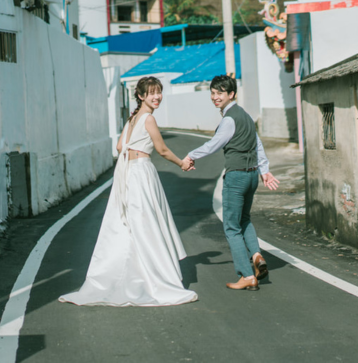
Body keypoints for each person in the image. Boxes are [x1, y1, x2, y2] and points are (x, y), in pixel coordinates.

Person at [59, 76, 197, 307]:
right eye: (152, 92)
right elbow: (162, 150)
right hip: (142, 172)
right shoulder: (149, 119)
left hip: (128, 173)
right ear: (141, 96)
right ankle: (152, 276)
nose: (157, 96)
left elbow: (120, 147)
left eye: (159, 91)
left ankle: (132, 272)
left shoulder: (133, 118)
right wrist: (182, 163)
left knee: (132, 224)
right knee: (147, 224)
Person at [182, 75, 279, 291]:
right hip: (252, 175)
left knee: (231, 228)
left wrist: (190, 155)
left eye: (220, 93)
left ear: (231, 94)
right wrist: (264, 171)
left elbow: (214, 144)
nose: (215, 97)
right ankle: (256, 256)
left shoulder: (229, 119)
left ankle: (247, 275)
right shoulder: (246, 116)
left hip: (236, 176)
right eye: (213, 93)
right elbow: (258, 145)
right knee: (244, 219)